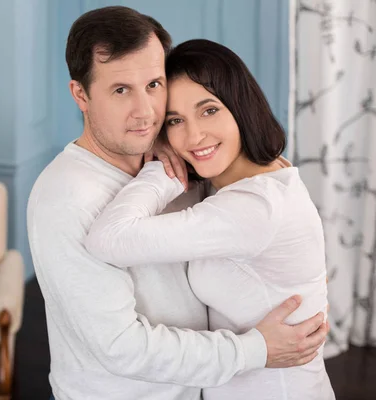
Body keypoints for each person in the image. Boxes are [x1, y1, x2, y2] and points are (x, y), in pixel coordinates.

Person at [27, 6, 329, 400]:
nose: (145, 112)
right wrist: (255, 349)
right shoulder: (64, 199)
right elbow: (121, 346)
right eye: (121, 90)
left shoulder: (186, 161)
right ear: (80, 94)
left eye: (153, 85)